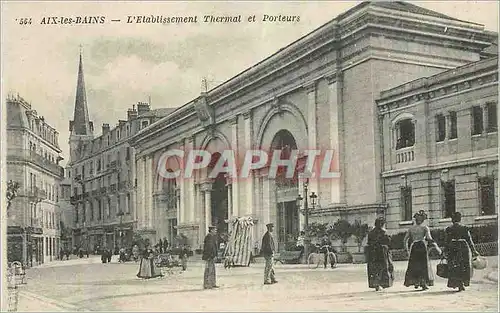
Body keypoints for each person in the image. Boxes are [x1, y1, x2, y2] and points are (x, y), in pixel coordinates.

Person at [403, 210, 442, 290]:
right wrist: (436, 247)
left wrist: (406, 249)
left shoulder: (411, 228)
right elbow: (429, 238)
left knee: (414, 265)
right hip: (422, 246)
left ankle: (416, 282)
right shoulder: (425, 228)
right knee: (423, 265)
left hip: (414, 247)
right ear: (422, 219)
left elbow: (405, 240)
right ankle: (423, 283)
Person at [443, 212, 479, 292]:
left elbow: (446, 242)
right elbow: (469, 240)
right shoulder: (464, 228)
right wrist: (474, 250)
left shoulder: (449, 229)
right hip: (463, 247)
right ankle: (462, 283)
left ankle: (457, 283)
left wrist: (444, 251)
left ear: (452, 220)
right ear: (460, 219)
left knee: (454, 266)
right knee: (464, 265)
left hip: (453, 248)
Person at [366, 217, 394, 291]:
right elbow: (389, 243)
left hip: (373, 253)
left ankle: (376, 284)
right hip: (382, 252)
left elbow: (368, 243)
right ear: (382, 224)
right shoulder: (384, 232)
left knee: (374, 268)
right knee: (384, 267)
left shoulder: (371, 233)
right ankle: (383, 283)